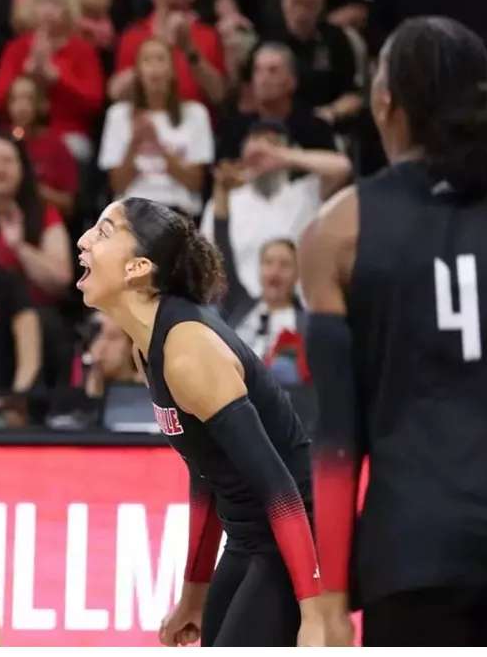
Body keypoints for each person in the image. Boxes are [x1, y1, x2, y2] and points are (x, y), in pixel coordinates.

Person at [299, 17, 487, 647]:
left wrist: (329, 603)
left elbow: (336, 439)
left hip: (412, 552)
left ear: (385, 103)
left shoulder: (337, 231)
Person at [76, 196, 323, 647]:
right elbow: (206, 472)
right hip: (249, 535)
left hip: (297, 531)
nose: (83, 240)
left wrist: (315, 613)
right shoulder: (147, 347)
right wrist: (192, 597)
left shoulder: (188, 353)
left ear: (138, 268)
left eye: (104, 231)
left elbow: (280, 487)